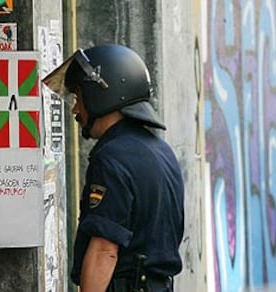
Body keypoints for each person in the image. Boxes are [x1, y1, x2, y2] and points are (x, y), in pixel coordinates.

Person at [44, 44, 185, 291]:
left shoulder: (112, 158)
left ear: (100, 94)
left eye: (79, 97)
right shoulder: (161, 151)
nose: (76, 109)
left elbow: (104, 251)